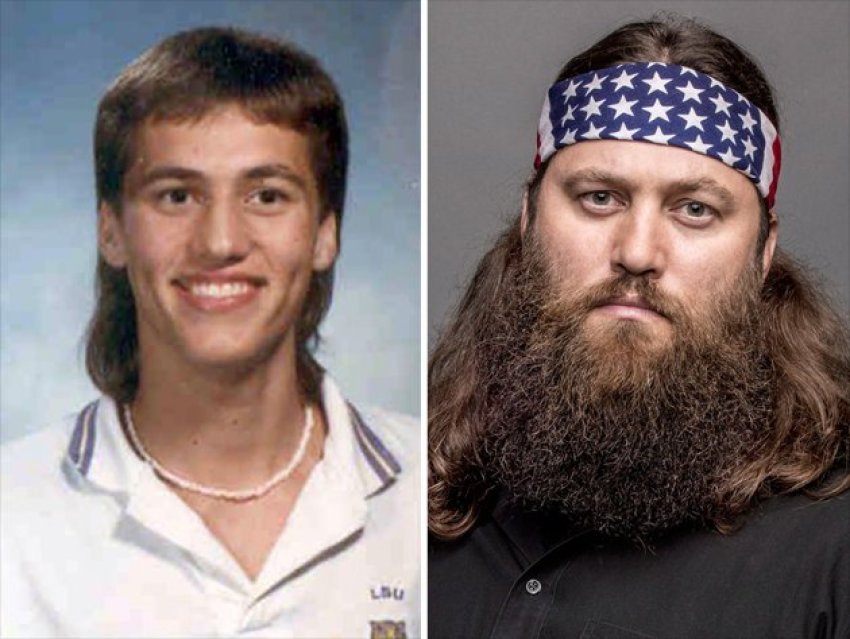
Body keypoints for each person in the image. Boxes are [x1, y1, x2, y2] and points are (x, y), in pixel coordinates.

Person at [429, 15, 849, 639]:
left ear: (763, 251)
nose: (637, 251)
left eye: (695, 210)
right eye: (600, 197)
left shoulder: (832, 544)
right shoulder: (392, 490)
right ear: (528, 217)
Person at [1, 27, 418, 639]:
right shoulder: (12, 514)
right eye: (176, 195)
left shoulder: (425, 497)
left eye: (267, 195)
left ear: (325, 232)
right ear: (111, 230)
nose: (221, 241)